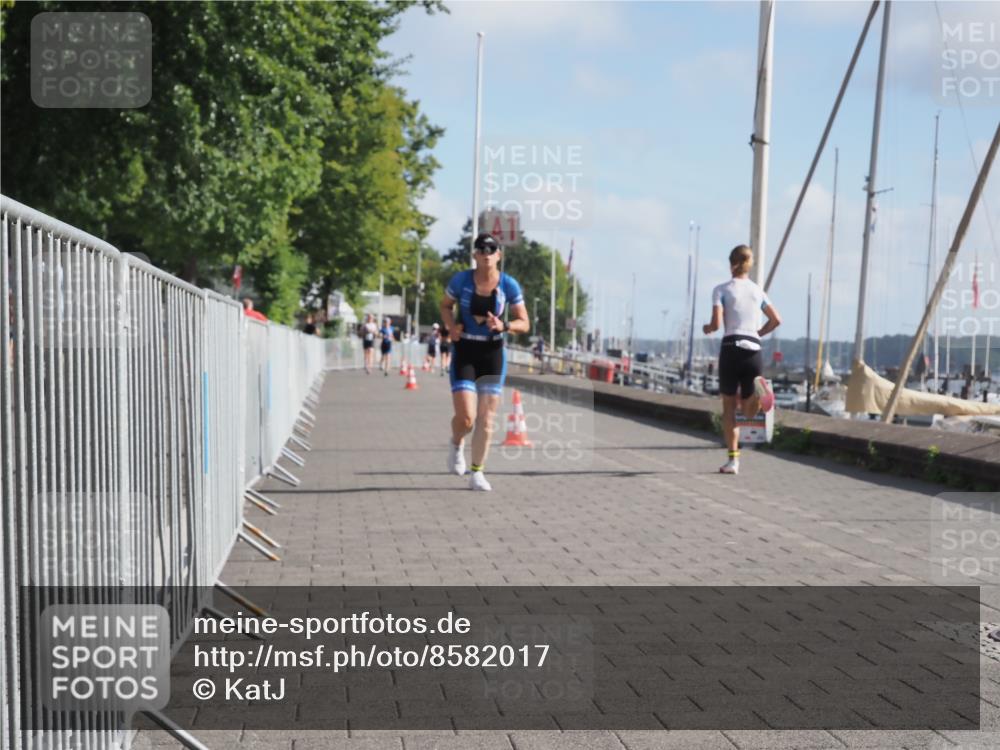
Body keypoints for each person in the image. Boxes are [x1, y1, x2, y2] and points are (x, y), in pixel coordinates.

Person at [440, 233, 530, 491]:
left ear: (499, 255)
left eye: (492, 249)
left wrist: (505, 325)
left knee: (487, 418)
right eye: (482, 249)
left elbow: (525, 322)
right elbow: (446, 305)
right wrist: (451, 328)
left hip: (492, 352)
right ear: (475, 255)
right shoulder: (461, 280)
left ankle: (477, 472)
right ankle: (456, 444)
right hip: (466, 349)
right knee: (467, 418)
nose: (487, 253)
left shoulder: (508, 285)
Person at [702, 245, 781, 475]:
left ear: (731, 263)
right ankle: (759, 393)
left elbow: (716, 324)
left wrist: (707, 328)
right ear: (749, 264)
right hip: (753, 350)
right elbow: (776, 319)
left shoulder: (721, 290)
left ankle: (733, 461)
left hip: (731, 347)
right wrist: (758, 333)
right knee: (748, 413)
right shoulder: (758, 292)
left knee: (729, 406)